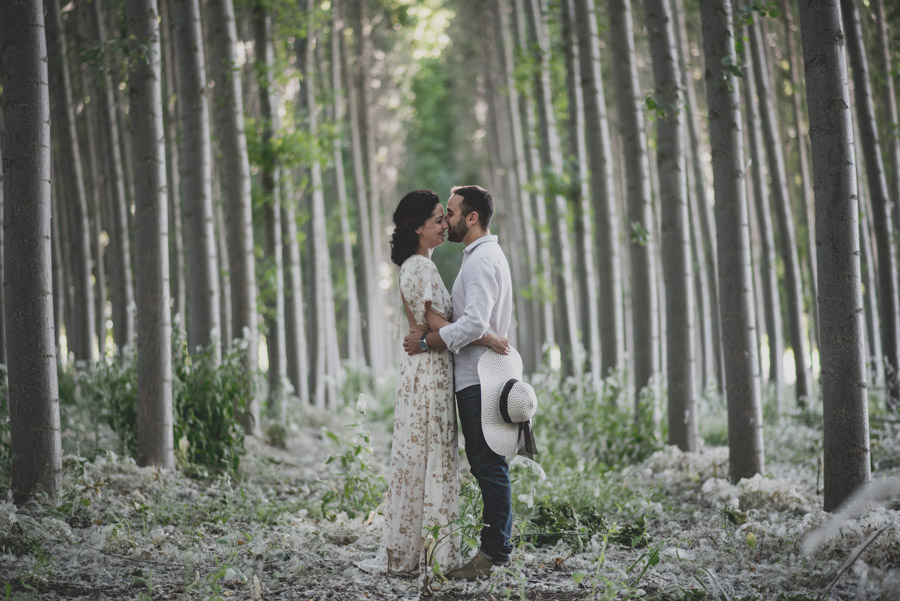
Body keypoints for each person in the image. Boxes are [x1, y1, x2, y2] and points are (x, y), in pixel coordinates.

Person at [372, 189, 507, 577]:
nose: (443, 224)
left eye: (446, 216)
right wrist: (490, 338)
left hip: (432, 369)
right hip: (430, 372)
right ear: (418, 227)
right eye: (437, 219)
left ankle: (420, 547)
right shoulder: (421, 267)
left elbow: (434, 328)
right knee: (431, 457)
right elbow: (437, 327)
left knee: (428, 458)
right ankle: (429, 551)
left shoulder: (422, 266)